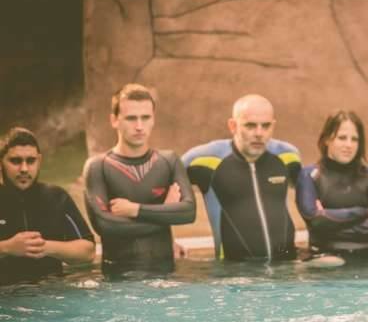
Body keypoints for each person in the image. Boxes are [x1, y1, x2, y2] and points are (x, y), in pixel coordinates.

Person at [83, 84, 195, 277]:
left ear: (154, 119)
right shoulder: (98, 166)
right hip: (118, 279)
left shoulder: (168, 161)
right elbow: (106, 226)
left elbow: (188, 212)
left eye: (145, 118)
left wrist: (135, 210)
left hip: (166, 278)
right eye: (131, 118)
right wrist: (165, 214)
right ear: (114, 120)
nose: (139, 126)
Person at [182, 94, 301, 261]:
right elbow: (158, 188)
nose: (259, 133)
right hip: (234, 274)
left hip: (285, 271)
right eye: (250, 125)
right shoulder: (204, 160)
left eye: (266, 126)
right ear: (233, 125)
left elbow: (309, 199)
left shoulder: (288, 156)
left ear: (273, 126)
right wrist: (168, 241)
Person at [0, 128, 95, 284]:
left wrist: (46, 247)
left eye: (30, 161)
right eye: (15, 161)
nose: (24, 168)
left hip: (50, 292)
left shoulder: (56, 197)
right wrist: (7, 248)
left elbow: (88, 251)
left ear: (39, 161)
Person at [296, 110, 368, 259]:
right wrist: (361, 212)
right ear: (327, 139)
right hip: (325, 260)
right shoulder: (309, 176)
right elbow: (316, 220)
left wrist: (331, 224)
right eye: (342, 138)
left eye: (355, 139)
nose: (349, 145)